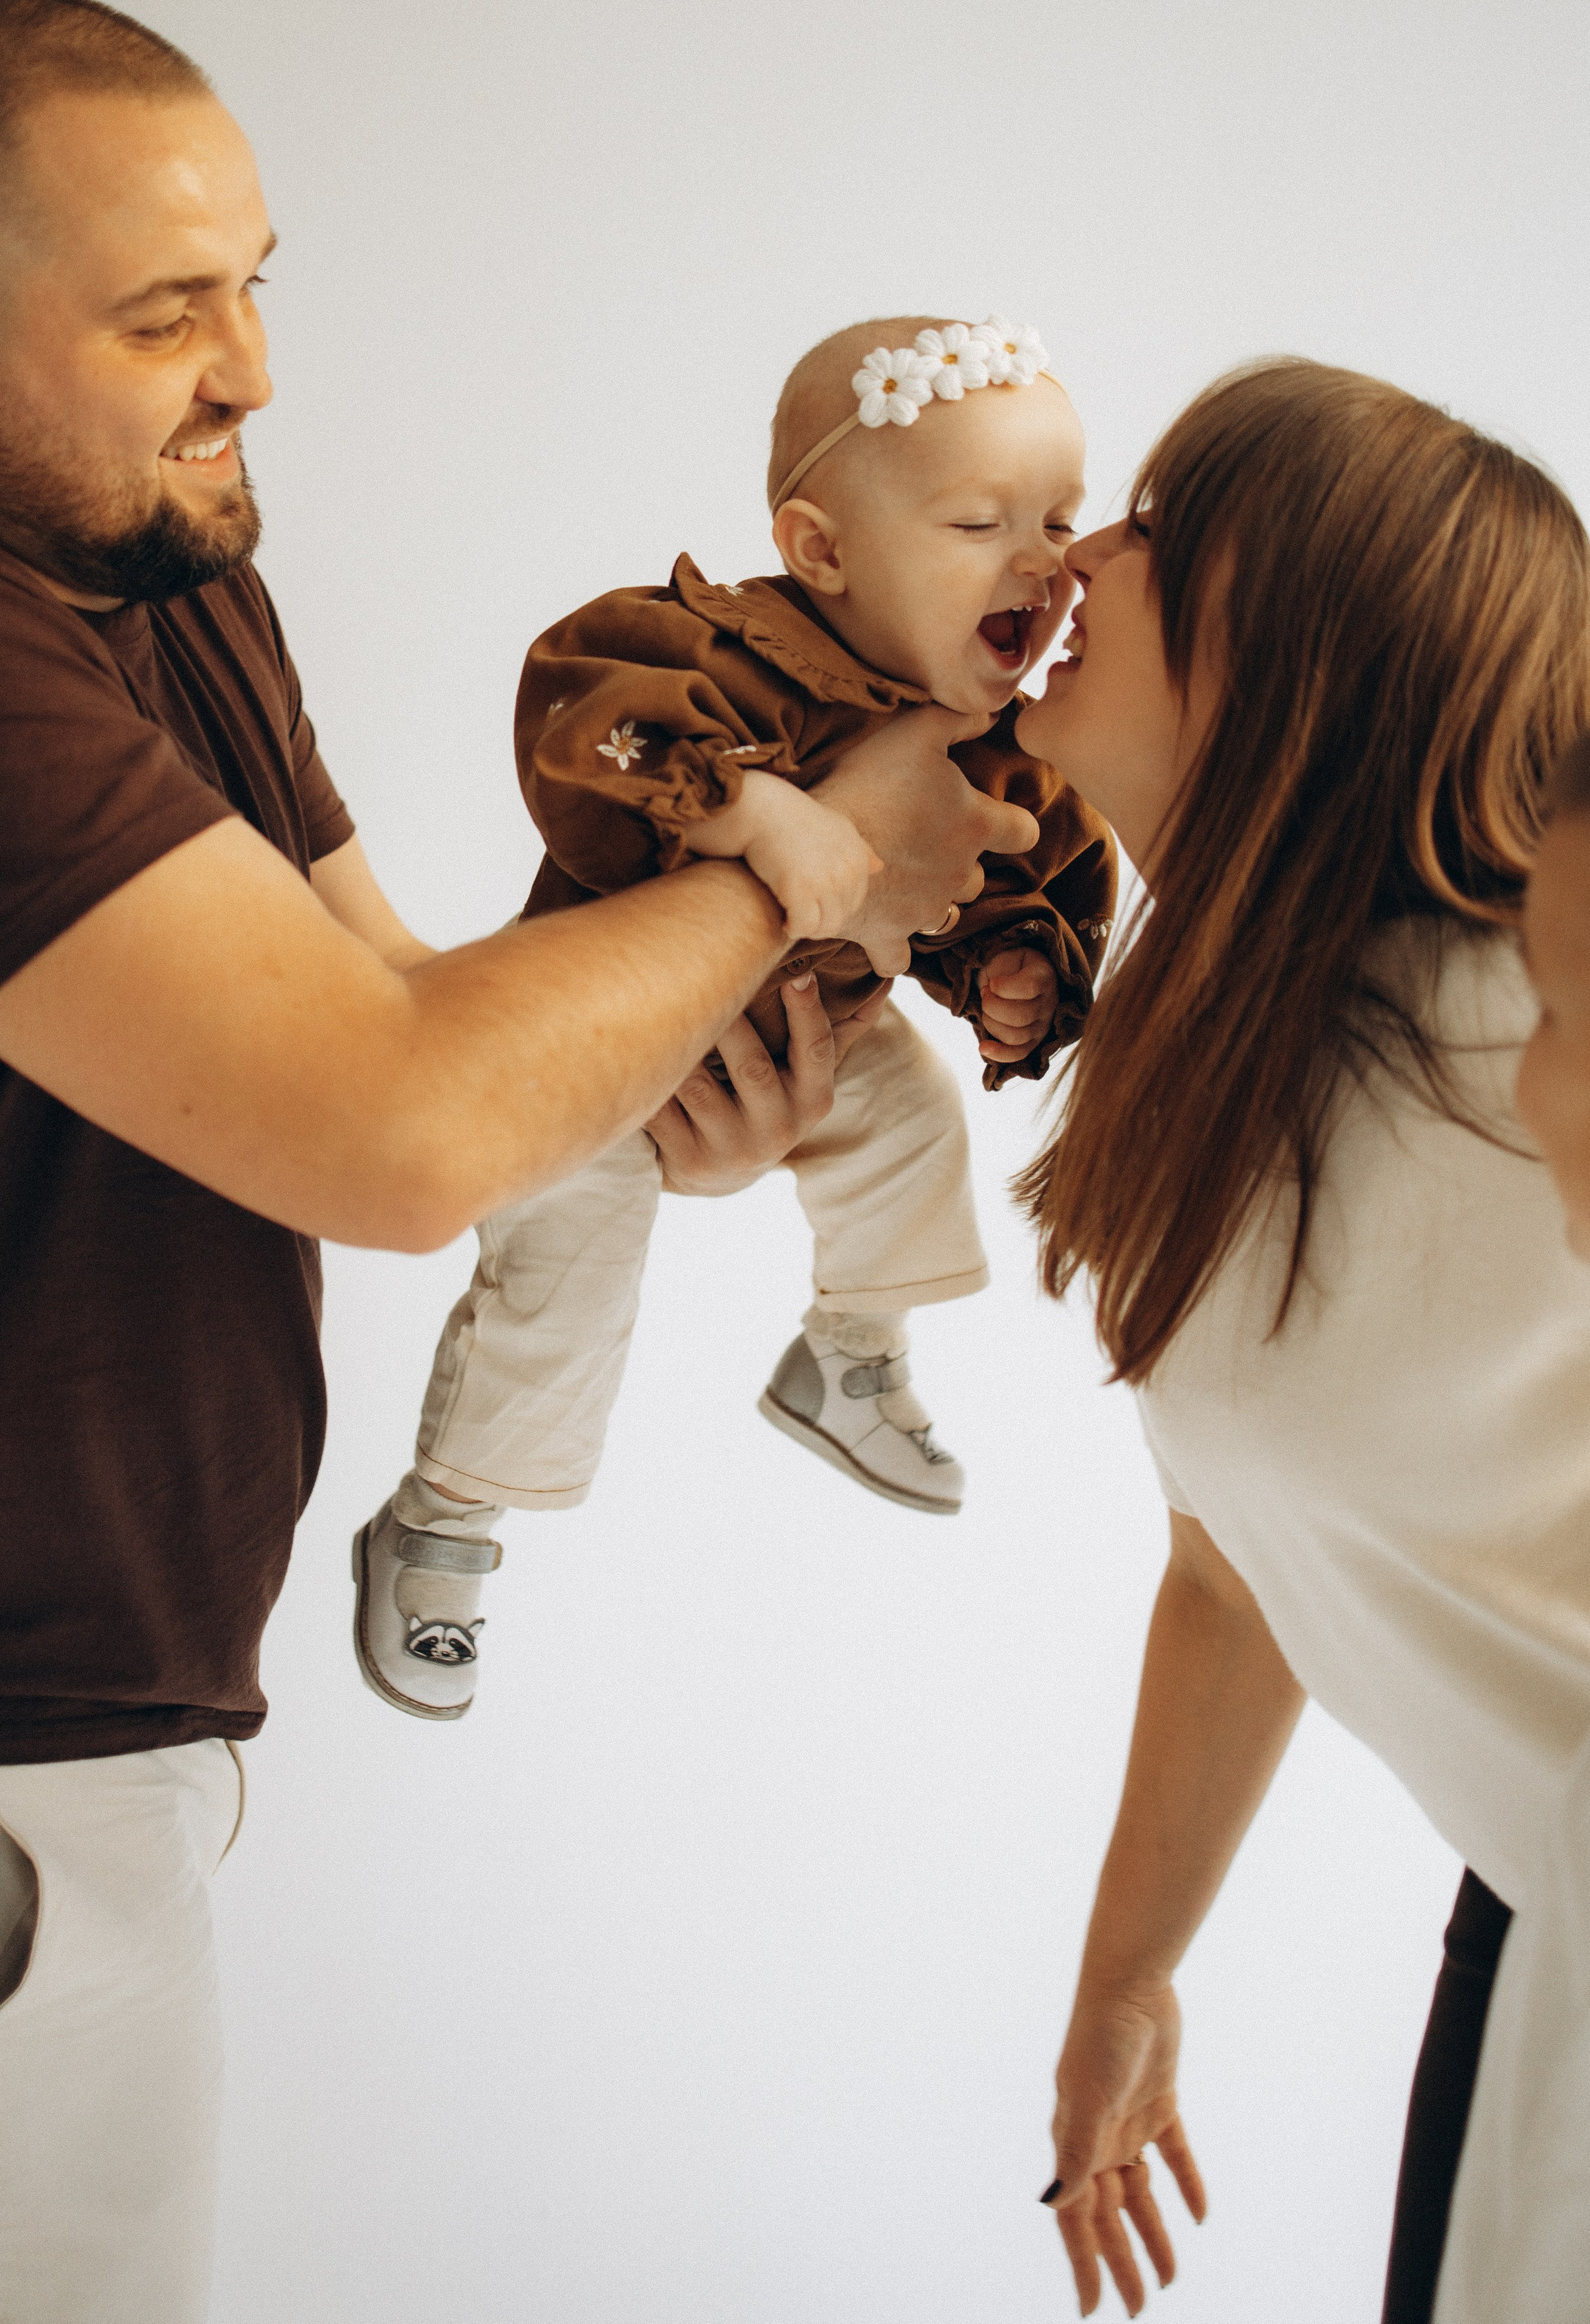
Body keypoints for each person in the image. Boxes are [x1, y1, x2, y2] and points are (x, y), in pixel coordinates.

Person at [0, 0, 1016, 2324]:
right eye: (170, 313)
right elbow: (394, 1127)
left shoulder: (165, 586)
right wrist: (806, 857)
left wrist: (648, 1105)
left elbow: (397, 1036)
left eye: (259, 282)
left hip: (52, 1760)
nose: (252, 367)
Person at [1005, 358, 1590, 2320]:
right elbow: (1230, 1573)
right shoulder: (1241, 1046)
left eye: (1163, 526)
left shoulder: (1537, 1038)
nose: (1086, 551)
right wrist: (1126, 1975)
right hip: (1536, 1924)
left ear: (1306, 647)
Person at [352, 316, 1115, 1720]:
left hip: (810, 1034)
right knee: (564, 1269)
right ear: (821, 550)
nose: (1044, 563)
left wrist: (1015, 975)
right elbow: (578, 712)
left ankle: (852, 1355)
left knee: (913, 1120)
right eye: (977, 521)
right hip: (595, 1028)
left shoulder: (990, 737)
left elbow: (1025, 863)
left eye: (1061, 522)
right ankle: (451, 1515)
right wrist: (745, 804)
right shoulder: (719, 652)